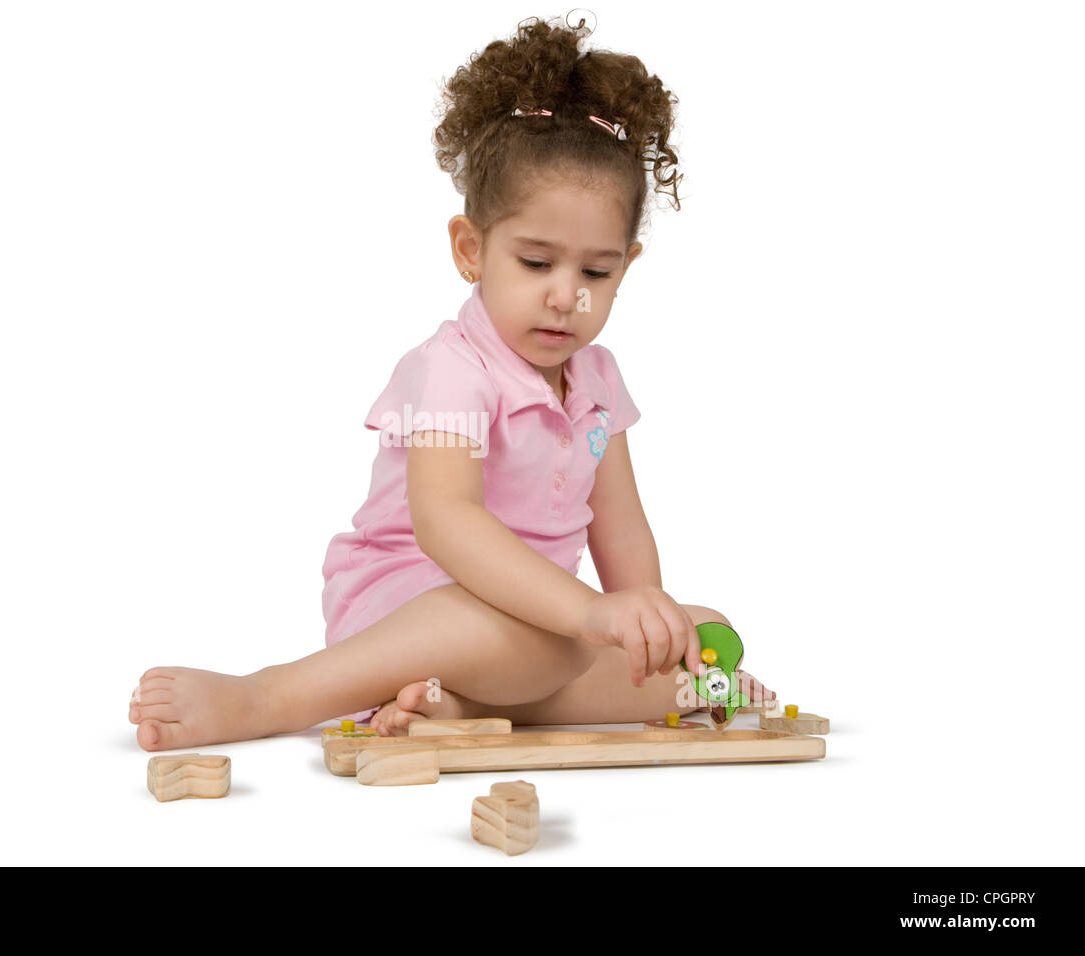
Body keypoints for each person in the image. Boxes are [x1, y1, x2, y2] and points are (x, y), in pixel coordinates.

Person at [128, 14, 774, 750]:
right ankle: (270, 695)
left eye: (594, 272)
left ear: (624, 269)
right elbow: (448, 522)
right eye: (536, 264)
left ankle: (460, 709)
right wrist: (590, 619)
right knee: (555, 647)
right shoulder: (451, 369)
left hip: (541, 626)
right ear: (472, 250)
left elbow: (622, 525)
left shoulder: (598, 379)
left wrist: (651, 625)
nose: (566, 295)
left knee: (707, 629)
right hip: (414, 605)